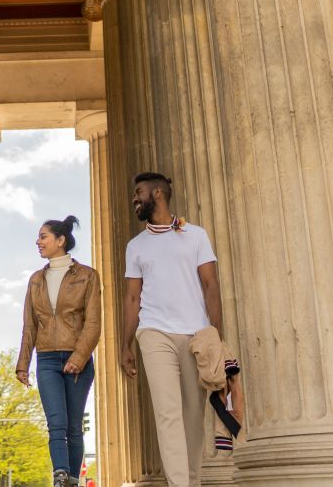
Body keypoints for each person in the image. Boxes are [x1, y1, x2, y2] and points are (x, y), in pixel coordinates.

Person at [119, 173, 224, 487]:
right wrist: (126, 344)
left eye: (139, 192)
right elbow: (132, 297)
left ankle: (191, 481)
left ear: (158, 194)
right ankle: (178, 484)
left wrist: (215, 334)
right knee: (167, 413)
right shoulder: (135, 246)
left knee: (193, 415)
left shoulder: (195, 235)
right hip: (154, 333)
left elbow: (210, 285)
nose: (135, 199)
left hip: (195, 334)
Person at [16, 216, 102, 487]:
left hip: (79, 359)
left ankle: (73, 480)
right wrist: (23, 364)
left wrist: (79, 357)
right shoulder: (36, 280)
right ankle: (61, 476)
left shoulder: (88, 275)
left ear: (60, 240)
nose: (38, 241)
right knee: (56, 422)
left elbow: (94, 322)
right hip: (47, 359)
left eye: (43, 236)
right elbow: (29, 325)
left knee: (74, 426)